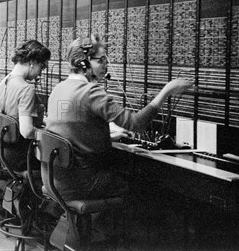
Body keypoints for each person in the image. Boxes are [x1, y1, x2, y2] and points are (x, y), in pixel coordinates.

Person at [45, 35, 193, 201]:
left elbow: (72, 128)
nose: (105, 65)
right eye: (101, 60)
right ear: (84, 63)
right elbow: (136, 124)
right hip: (82, 182)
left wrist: (107, 136)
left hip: (55, 179)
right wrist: (167, 91)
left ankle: (85, 224)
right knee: (143, 185)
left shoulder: (58, 89)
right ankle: (104, 225)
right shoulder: (91, 92)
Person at [0, 40, 50, 171]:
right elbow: (26, 131)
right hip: (23, 155)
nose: (40, 73)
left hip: (5, 151)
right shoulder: (26, 89)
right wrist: (48, 133)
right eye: (42, 67)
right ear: (33, 62)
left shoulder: (5, 81)